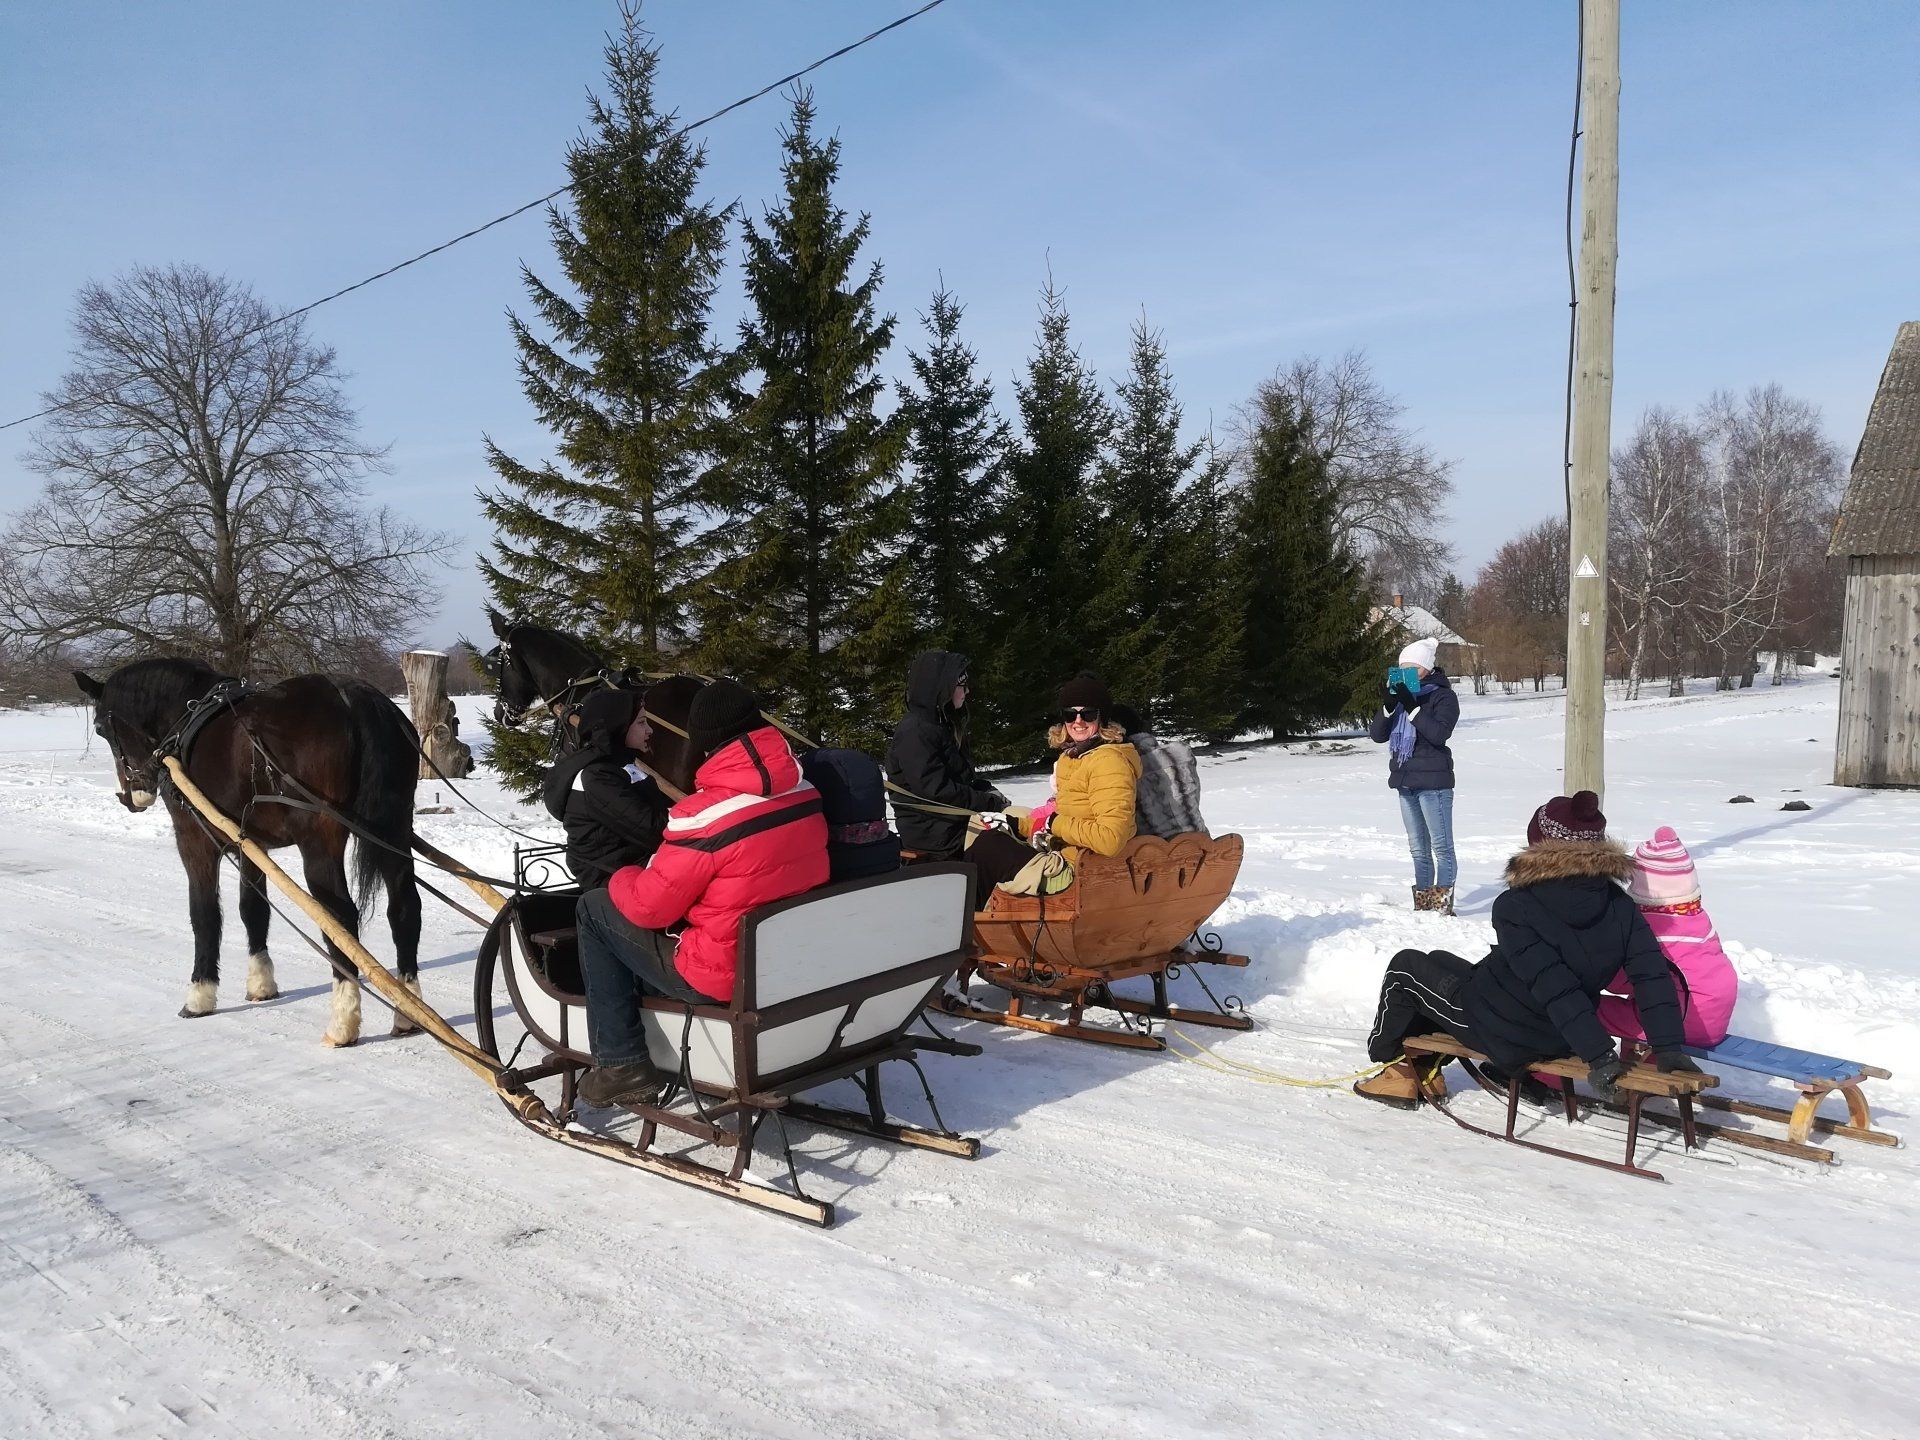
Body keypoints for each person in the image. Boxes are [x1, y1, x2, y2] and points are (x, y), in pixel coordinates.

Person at [1353, 790, 1702, 1110]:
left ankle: (1391, 1063)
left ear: (1540, 844)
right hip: (1560, 1033)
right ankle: (1421, 1065)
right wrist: (1668, 1047)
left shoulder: (1515, 906)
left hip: (1504, 1029)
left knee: (1405, 969)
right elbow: (1651, 976)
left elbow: (1556, 986)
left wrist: (1600, 1058)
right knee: (1440, 962)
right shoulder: (1618, 904)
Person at [574, 679, 829, 1108]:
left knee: (592, 910)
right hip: (788, 960)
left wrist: (623, 874)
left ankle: (621, 1061)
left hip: (723, 974)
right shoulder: (804, 789)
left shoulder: (704, 815)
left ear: (704, 740)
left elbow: (648, 909)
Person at [1598, 826, 1738, 1048]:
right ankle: (1648, 1067)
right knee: (1647, 1001)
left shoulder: (1651, 928)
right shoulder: (1698, 919)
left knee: (1586, 1010)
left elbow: (1621, 982)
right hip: (1712, 1022)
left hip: (1680, 1023)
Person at [541, 688, 670, 891]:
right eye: (641, 723)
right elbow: (653, 829)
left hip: (636, 866)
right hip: (611, 881)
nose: (649, 730)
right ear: (618, 726)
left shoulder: (621, 763)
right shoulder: (596, 777)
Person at [1367, 636, 1461, 914]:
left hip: (1434, 783)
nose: (1407, 673)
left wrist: (1413, 708)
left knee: (1441, 848)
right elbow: (1377, 735)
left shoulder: (1442, 696)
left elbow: (1439, 734)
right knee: (1418, 849)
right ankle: (1424, 906)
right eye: (1402, 667)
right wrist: (1388, 706)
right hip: (1405, 782)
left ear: (1426, 668)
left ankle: (1442, 907)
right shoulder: (1400, 696)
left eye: (1413, 667)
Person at [884, 651, 1007, 859]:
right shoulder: (916, 732)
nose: (966, 691)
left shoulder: (938, 724)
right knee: (1011, 855)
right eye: (961, 685)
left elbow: (957, 778)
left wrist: (985, 789)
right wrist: (989, 803)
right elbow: (937, 791)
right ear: (942, 687)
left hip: (950, 826)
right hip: (935, 837)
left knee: (1019, 830)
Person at [1026, 673, 1140, 860]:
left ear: (1101, 718)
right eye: (1070, 715)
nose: (1078, 721)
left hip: (1089, 865)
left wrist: (1054, 822)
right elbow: (1067, 814)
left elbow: (1110, 840)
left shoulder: (1109, 762)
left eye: (1088, 714)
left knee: (989, 853)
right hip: (1069, 850)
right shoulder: (1070, 757)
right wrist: (1018, 825)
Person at [1109, 703, 1207, 839]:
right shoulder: (1182, 754)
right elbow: (1193, 800)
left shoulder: (1124, 767)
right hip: (1201, 845)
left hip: (1152, 852)